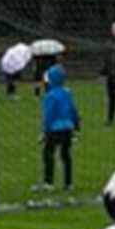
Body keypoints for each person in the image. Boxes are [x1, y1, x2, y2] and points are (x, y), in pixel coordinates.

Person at [37, 54, 81, 191]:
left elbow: (49, 114)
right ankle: (68, 183)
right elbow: (73, 110)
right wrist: (76, 126)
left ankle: (48, 182)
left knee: (48, 153)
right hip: (68, 128)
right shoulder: (67, 93)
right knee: (66, 155)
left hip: (54, 129)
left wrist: (45, 130)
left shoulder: (49, 96)